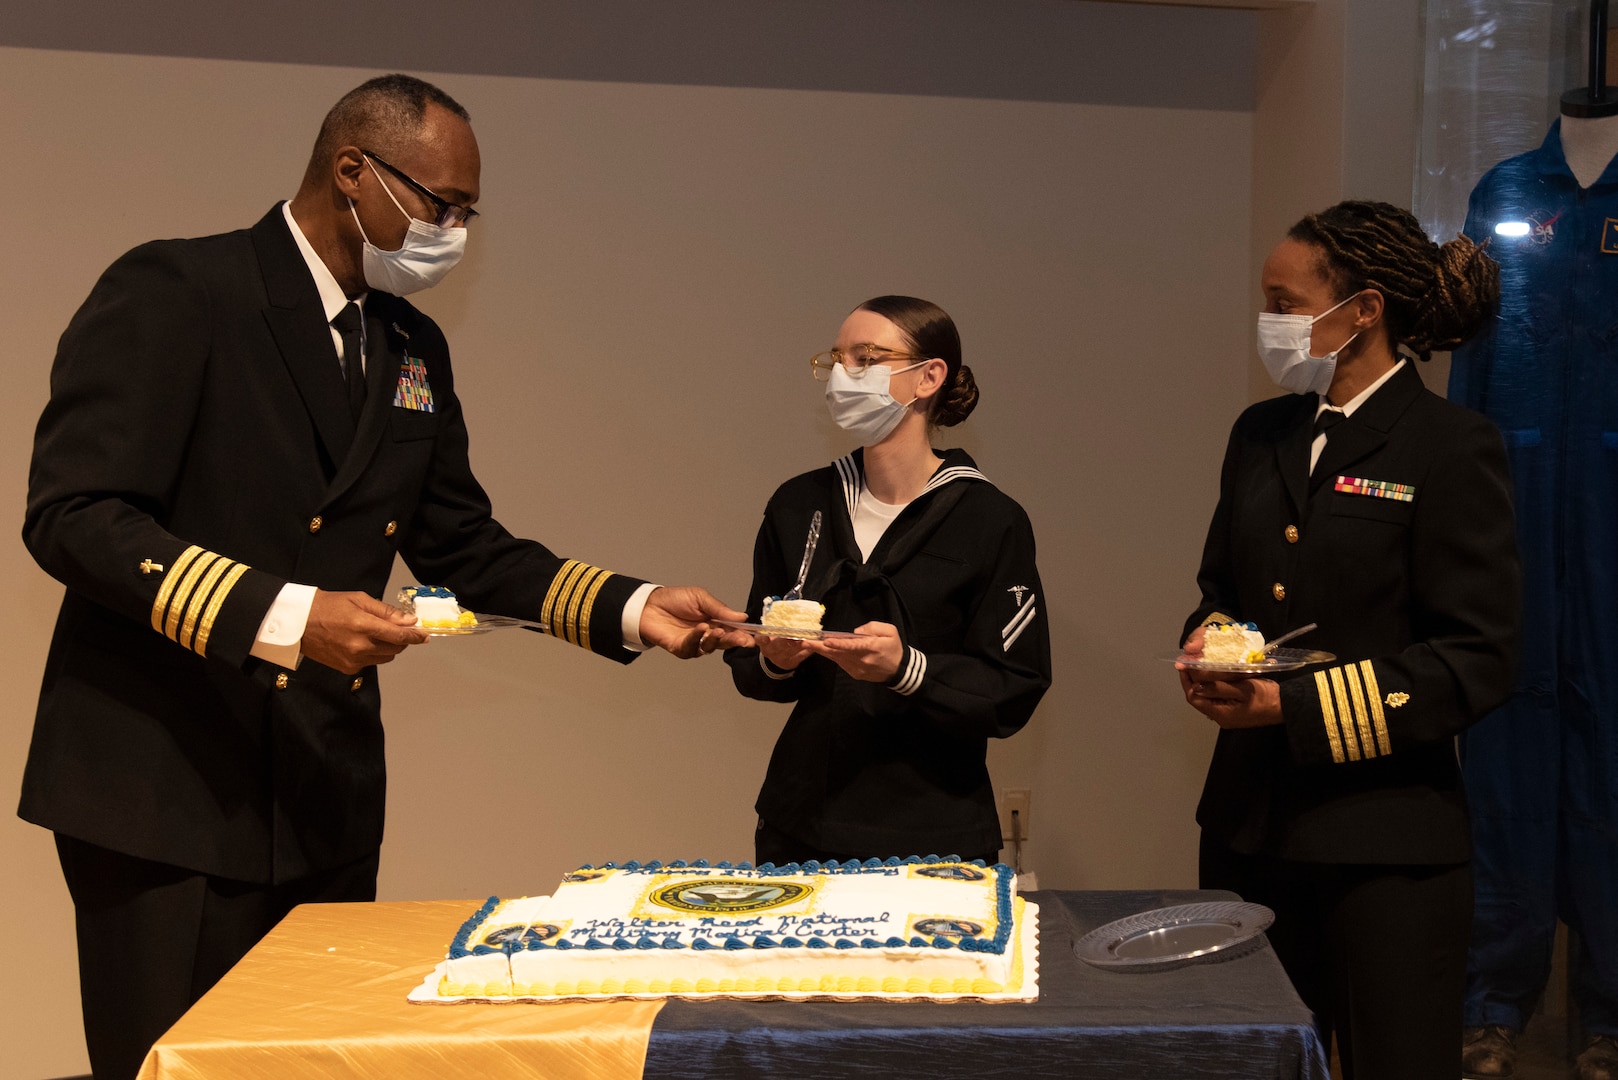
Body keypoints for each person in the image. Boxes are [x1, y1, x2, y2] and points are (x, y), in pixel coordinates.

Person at [20, 74, 744, 1080]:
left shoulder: (410, 346)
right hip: (166, 789)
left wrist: (629, 605)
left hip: (323, 787)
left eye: (467, 214)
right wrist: (287, 615)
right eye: (437, 204)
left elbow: (462, 545)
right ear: (351, 170)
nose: (451, 230)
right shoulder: (182, 292)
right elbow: (74, 516)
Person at [1177, 201, 1520, 1079]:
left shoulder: (1451, 445)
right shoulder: (1261, 434)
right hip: (1253, 826)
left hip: (1387, 843)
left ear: (1362, 309)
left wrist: (1289, 706)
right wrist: (1211, 640)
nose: (1271, 321)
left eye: (1285, 301)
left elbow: (1475, 659)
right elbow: (1222, 590)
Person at [724, 295, 1051, 867]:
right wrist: (774, 656)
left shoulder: (990, 519)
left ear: (929, 377)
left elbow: (1013, 688)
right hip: (799, 824)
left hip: (934, 830)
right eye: (837, 360)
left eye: (866, 359)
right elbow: (753, 670)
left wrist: (907, 669)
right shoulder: (800, 504)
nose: (843, 378)